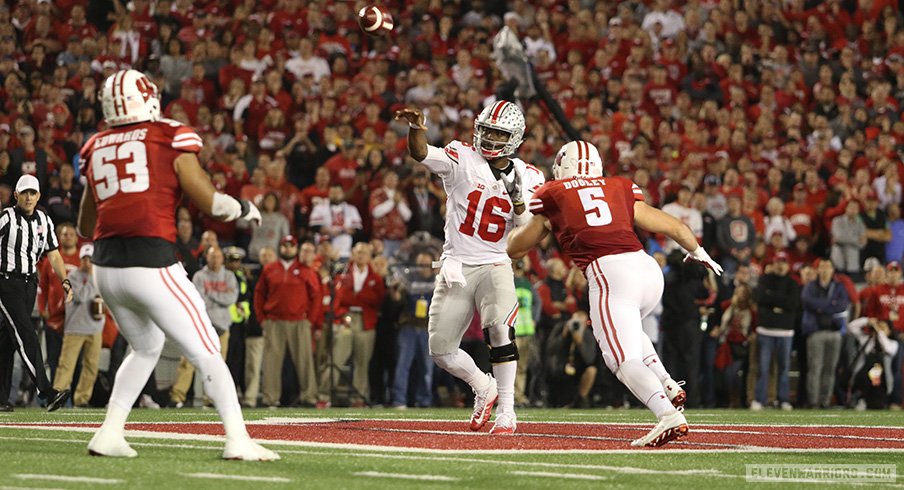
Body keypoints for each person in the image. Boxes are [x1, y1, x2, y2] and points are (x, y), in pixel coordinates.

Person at [76, 69, 277, 460]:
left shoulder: (96, 144)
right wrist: (245, 208)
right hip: (150, 262)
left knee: (146, 346)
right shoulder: (168, 134)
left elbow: (86, 223)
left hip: (106, 266)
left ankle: (109, 432)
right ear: (147, 97)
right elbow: (212, 203)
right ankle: (238, 439)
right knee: (206, 350)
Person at [507, 140, 723, 447]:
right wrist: (699, 251)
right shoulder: (620, 186)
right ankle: (667, 383)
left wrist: (523, 223)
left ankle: (667, 414)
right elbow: (673, 226)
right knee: (630, 331)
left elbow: (517, 247)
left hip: (610, 274)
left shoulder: (552, 192)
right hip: (647, 271)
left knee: (621, 359)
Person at [394, 101, 545, 434]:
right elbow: (421, 154)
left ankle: (507, 410)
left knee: (499, 328)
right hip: (458, 264)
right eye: (486, 130)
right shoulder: (462, 157)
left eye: (498, 133)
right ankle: (482, 385)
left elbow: (527, 234)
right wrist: (417, 129)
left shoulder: (530, 175)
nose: (489, 138)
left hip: (495, 261)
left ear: (515, 137)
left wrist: (519, 200)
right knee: (441, 349)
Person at [0, 175, 73, 413]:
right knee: (26, 334)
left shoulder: (44, 219)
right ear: (16, 196)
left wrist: (64, 279)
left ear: (39, 196)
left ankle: (1, 398)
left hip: (30, 283)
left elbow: (53, 254)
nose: (29, 197)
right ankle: (46, 391)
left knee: (7, 342)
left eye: (33, 193)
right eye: (25, 193)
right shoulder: (6, 217)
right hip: (6, 282)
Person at [255, 235, 321, 407]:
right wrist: (262, 319)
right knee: (271, 362)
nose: (287, 249)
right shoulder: (270, 269)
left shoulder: (306, 271)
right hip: (274, 321)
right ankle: (270, 398)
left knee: (305, 360)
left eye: (291, 246)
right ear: (280, 247)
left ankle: (309, 397)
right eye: (284, 246)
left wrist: (310, 320)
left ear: (296, 248)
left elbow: (316, 296)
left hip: (299, 321)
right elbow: (259, 294)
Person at [169, 246, 238, 408]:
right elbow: (199, 299)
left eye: (218, 256)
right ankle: (177, 397)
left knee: (218, 365)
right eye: (212, 256)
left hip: (221, 326)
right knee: (188, 361)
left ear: (223, 259)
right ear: (206, 257)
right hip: (201, 325)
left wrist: (210, 294)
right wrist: (218, 297)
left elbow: (231, 298)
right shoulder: (200, 276)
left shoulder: (229, 276)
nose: (215, 260)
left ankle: (211, 399)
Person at [52, 243, 105, 407]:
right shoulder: (72, 276)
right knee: (66, 364)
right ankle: (58, 395)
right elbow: (81, 296)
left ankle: (82, 399)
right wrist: (93, 281)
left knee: (91, 366)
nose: (88, 262)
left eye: (91, 259)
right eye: (85, 259)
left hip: (95, 328)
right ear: (80, 259)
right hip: (75, 327)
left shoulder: (99, 277)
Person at [801, 258, 850, 408]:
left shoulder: (839, 287)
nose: (825, 269)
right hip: (815, 331)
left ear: (832, 270)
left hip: (834, 331)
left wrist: (821, 307)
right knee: (815, 367)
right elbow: (808, 301)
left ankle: (825, 400)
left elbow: (842, 305)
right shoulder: (810, 286)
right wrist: (830, 305)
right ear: (817, 270)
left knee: (830, 368)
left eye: (828, 266)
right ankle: (813, 401)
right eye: (822, 267)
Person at [389, 252, 436, 409]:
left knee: (426, 368)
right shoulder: (407, 280)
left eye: (426, 265)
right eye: (420, 265)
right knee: (403, 365)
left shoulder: (438, 281)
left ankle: (424, 400)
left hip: (427, 328)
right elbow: (396, 301)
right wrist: (395, 293)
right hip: (408, 326)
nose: (422, 268)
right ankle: (399, 399)